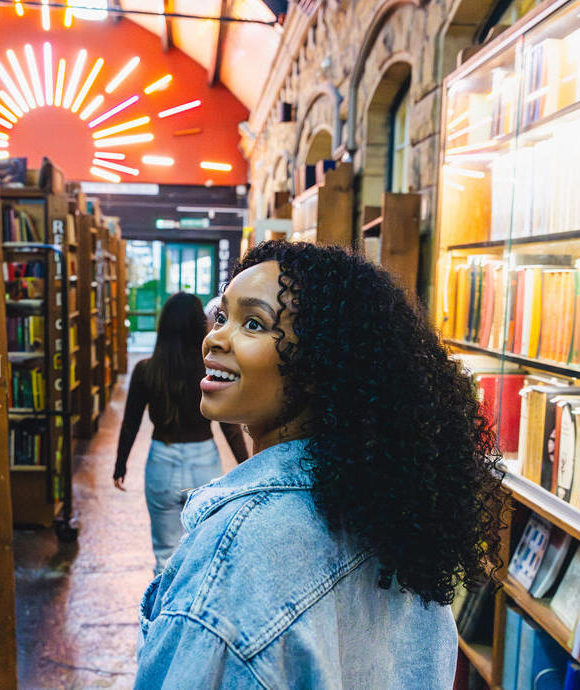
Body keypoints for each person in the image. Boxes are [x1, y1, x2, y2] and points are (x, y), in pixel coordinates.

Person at [133, 241, 505, 689]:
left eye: (253, 323)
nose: (215, 337)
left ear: (316, 365)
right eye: (221, 316)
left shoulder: (235, 553)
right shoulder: (393, 515)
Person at [113, 292, 248, 575]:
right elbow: (229, 426)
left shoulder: (145, 371)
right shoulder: (209, 371)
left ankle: (163, 614)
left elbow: (130, 423)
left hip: (161, 460)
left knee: (165, 553)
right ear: (199, 326)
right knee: (201, 551)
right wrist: (245, 465)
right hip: (203, 462)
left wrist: (120, 464)